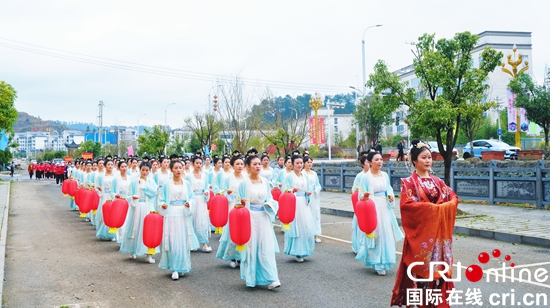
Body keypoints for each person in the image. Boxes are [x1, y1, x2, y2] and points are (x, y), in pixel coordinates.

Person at [391, 139, 459, 307]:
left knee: (438, 275)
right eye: (424, 157)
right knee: (422, 275)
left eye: (430, 157)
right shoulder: (409, 183)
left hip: (438, 238)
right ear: (414, 160)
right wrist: (434, 209)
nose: (428, 160)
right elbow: (408, 206)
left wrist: (447, 206)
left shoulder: (438, 182)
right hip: (422, 237)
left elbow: (453, 197)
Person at [356, 151, 404, 276]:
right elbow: (360, 195)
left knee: (385, 232)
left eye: (381, 159)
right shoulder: (366, 177)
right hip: (372, 207)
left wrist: (391, 196)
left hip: (384, 207)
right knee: (375, 233)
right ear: (370, 162)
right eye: (376, 159)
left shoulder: (384, 175)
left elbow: (389, 189)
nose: (379, 162)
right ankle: (377, 261)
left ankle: (385, 260)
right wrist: (364, 197)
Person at [237, 155, 280, 289]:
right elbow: (238, 205)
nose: (258, 166)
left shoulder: (265, 182)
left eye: (259, 164)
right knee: (251, 247)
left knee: (265, 247)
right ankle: (251, 277)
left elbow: (271, 199)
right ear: (248, 167)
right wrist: (241, 204)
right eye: (254, 164)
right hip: (249, 218)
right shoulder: (244, 183)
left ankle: (272, 278)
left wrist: (269, 204)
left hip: (263, 217)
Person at [158, 160, 196, 280]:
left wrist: (189, 203)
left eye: (180, 167)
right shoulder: (166, 184)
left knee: (183, 241)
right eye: (176, 168)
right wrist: (163, 204)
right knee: (173, 241)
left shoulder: (187, 184)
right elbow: (160, 199)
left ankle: (182, 266)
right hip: (171, 213)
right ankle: (174, 267)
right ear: (171, 169)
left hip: (183, 214)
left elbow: (192, 198)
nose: (178, 170)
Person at [119, 162, 159, 264]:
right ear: (140, 170)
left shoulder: (151, 181)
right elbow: (128, 195)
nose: (145, 172)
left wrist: (145, 187)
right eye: (143, 170)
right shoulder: (133, 182)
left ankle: (148, 254)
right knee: (135, 228)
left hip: (147, 206)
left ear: (149, 171)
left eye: (147, 170)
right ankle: (133, 250)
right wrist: (132, 197)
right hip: (136, 207)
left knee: (148, 230)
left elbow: (154, 193)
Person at [216, 155, 247, 268]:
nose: (239, 166)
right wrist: (227, 193)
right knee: (233, 230)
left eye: (241, 164)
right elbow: (222, 192)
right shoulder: (228, 179)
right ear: (232, 166)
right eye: (237, 164)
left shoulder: (246, 177)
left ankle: (242, 256)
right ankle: (233, 256)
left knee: (244, 230)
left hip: (244, 206)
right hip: (232, 206)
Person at [282, 154, 315, 263]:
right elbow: (285, 191)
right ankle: (296, 251)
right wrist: (291, 190)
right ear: (292, 164)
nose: (300, 165)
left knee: (306, 226)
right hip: (294, 203)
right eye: (297, 163)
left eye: (301, 163)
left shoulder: (304, 176)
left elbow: (309, 188)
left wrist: (309, 192)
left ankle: (305, 250)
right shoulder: (289, 176)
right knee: (296, 226)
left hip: (304, 203)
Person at [186, 156, 212, 252]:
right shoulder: (189, 176)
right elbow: (186, 189)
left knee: (202, 221)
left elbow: (207, 187)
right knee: (191, 220)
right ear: (193, 164)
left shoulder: (204, 176)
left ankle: (204, 243)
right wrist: (190, 193)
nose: (199, 165)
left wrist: (206, 192)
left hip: (201, 200)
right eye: (197, 163)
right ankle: (191, 243)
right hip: (193, 200)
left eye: (200, 163)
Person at [351, 155, 370, 254]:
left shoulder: (374, 175)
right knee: (359, 225)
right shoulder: (360, 176)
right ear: (363, 164)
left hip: (371, 203)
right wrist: (362, 194)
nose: (369, 164)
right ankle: (358, 246)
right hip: (362, 202)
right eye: (366, 162)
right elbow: (354, 189)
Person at [303, 156, 322, 243]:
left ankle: (316, 234)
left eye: (311, 162)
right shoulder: (302, 173)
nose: (309, 164)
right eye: (308, 162)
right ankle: (306, 234)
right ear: (304, 163)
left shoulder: (314, 173)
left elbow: (318, 184)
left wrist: (316, 190)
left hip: (314, 196)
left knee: (315, 215)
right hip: (305, 196)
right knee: (306, 215)